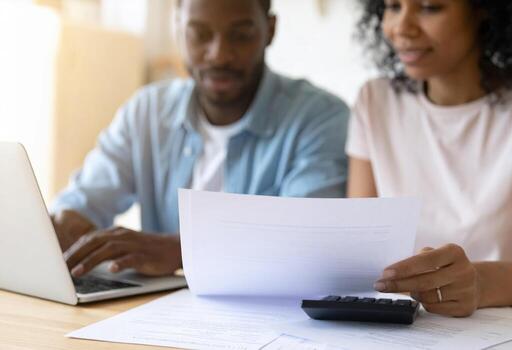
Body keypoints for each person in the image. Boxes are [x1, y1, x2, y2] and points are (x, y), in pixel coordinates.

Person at [348, 0, 512, 316]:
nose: (402, 27)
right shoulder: (374, 101)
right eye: (392, 6)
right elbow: (359, 249)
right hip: (409, 331)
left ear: (484, 9)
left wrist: (480, 283)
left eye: (430, 7)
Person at [51, 0, 349, 279]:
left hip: (266, 320)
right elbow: (83, 200)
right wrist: (66, 222)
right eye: (200, 35)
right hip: (154, 314)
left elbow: (308, 237)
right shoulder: (148, 111)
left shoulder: (320, 118)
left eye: (241, 36)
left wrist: (181, 250)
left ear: (269, 30)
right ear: (177, 28)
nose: (219, 54)